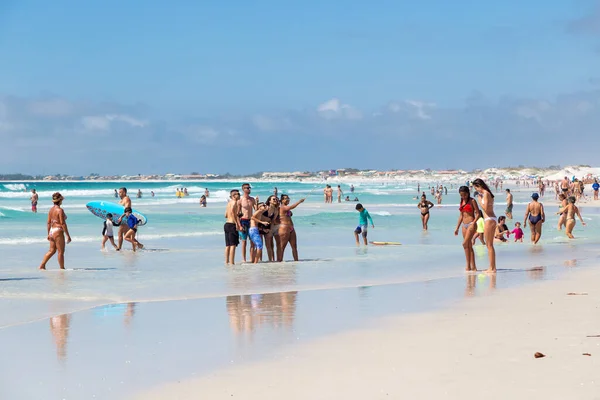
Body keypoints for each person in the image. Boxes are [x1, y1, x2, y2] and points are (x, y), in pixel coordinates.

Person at [39, 192, 71, 270]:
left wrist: (48, 233)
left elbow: (48, 222)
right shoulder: (60, 210)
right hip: (58, 230)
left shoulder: (51, 210)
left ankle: (42, 265)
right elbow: (63, 223)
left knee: (52, 250)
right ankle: (62, 268)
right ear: (60, 201)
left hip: (52, 230)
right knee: (60, 251)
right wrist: (68, 235)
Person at [472, 178, 496, 273]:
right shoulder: (487, 194)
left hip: (489, 219)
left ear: (479, 186)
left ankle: (492, 268)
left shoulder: (485, 194)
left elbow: (485, 208)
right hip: (490, 219)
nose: (476, 190)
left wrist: (479, 200)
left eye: (476, 188)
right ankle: (491, 267)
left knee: (489, 245)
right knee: (489, 245)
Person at [454, 186, 480, 272]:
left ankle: (474, 266)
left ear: (468, 193)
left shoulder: (472, 201)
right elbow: (461, 215)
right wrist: (457, 227)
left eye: (464, 195)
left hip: (471, 224)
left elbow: (478, 213)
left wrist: (474, 222)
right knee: (468, 246)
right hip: (464, 225)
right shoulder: (461, 201)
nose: (463, 197)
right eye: (461, 195)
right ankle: (469, 266)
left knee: (465, 243)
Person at [278, 194, 305, 261]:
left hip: (291, 228)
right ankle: (279, 262)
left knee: (294, 247)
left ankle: (296, 261)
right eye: (285, 198)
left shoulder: (286, 208)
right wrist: (299, 202)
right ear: (282, 200)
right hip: (284, 228)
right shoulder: (282, 207)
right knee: (282, 247)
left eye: (288, 198)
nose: (287, 200)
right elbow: (292, 207)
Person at [224, 189, 242, 264]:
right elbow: (232, 213)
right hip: (232, 224)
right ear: (234, 196)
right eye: (238, 194)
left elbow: (225, 215)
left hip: (227, 224)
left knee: (227, 245)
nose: (239, 196)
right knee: (233, 245)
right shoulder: (234, 202)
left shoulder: (229, 203)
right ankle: (232, 262)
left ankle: (226, 261)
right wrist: (237, 223)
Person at [264, 195, 280, 262]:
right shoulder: (266, 208)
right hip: (262, 225)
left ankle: (273, 259)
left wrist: (270, 228)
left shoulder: (276, 210)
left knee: (271, 244)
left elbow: (272, 220)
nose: (275, 200)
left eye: (276, 199)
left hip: (269, 226)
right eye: (273, 199)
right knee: (268, 245)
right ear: (269, 201)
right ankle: (270, 260)